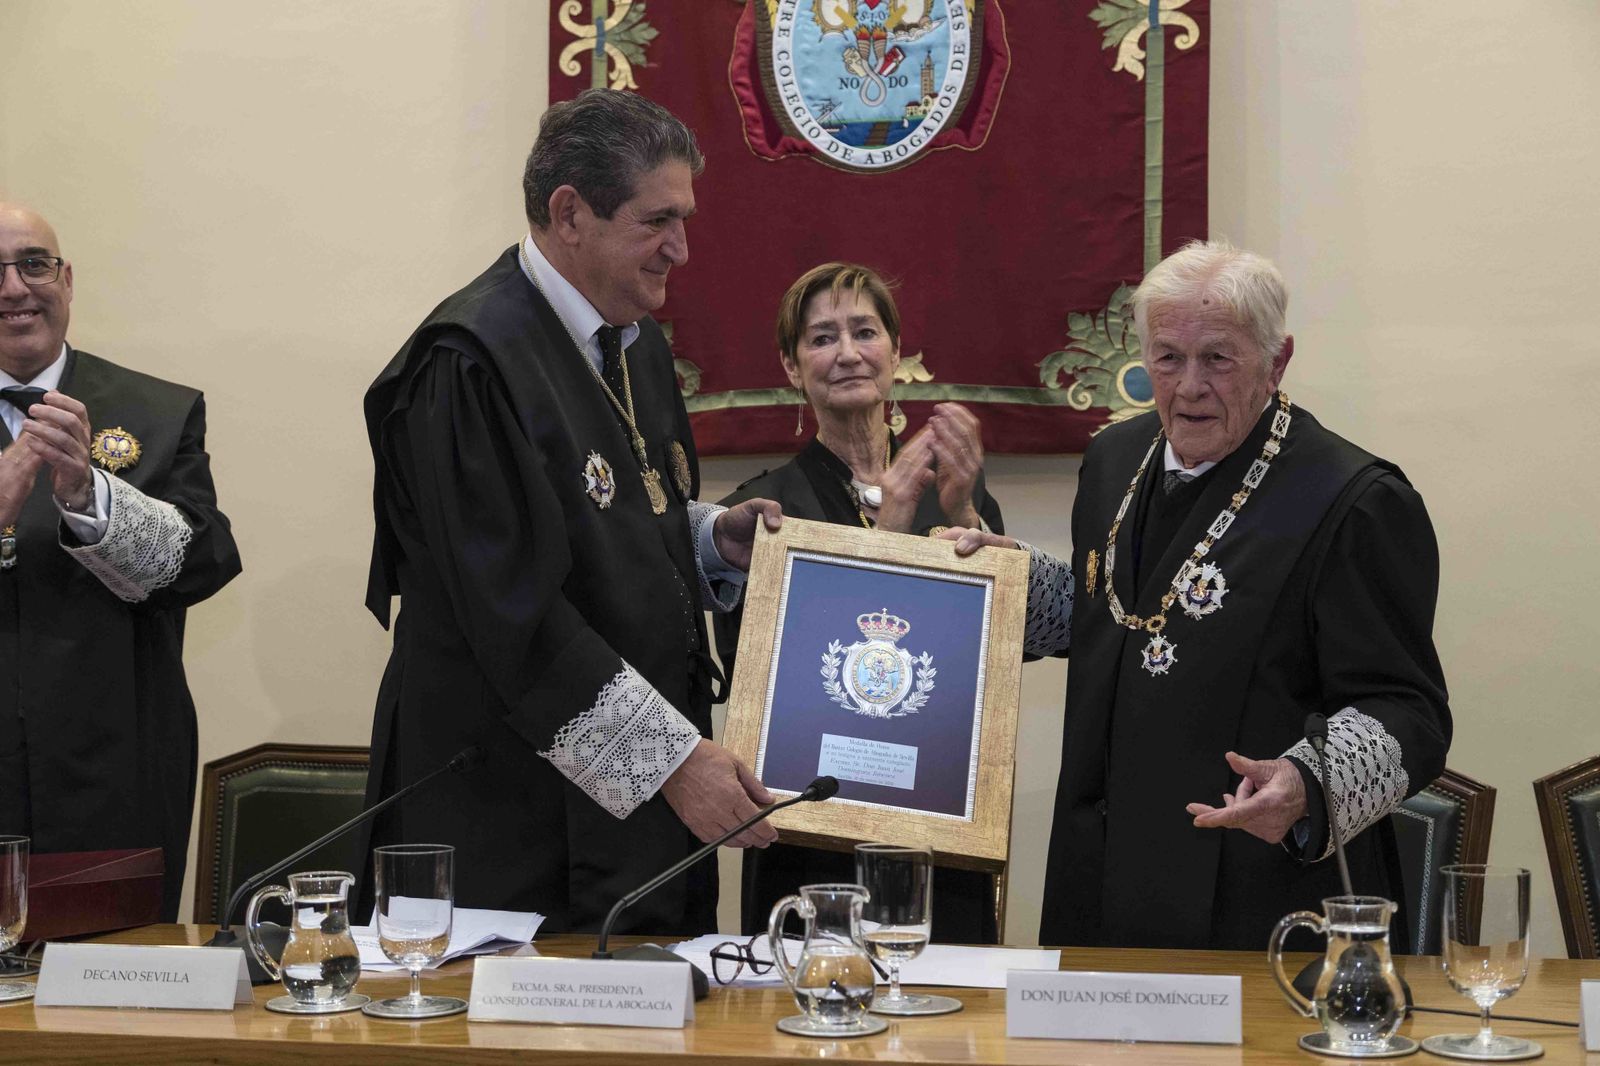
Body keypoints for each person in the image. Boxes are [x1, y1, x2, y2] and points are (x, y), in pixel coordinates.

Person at [950, 240, 1451, 950]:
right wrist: (1016, 585)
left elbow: (1411, 712)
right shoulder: (1112, 459)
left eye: (1218, 358)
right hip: (1097, 882)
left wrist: (1310, 782)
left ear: (1277, 361)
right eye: (1167, 357)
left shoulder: (1356, 500)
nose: (1188, 386)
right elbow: (1128, 618)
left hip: (1258, 900)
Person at [363, 89, 783, 934]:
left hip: (632, 804)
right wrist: (670, 762)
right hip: (511, 806)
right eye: (657, 220)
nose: (682, 249)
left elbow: (604, 520)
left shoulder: (636, 341)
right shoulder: (468, 362)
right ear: (569, 214)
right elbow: (509, 608)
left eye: (686, 219)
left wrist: (706, 541)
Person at [716, 262, 1004, 942]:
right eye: (821, 338)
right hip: (812, 840)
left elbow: (991, 664)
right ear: (791, 366)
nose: (846, 352)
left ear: (896, 352)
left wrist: (970, 516)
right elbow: (759, 680)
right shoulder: (762, 512)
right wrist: (893, 533)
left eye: (864, 331)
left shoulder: (954, 494)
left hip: (936, 835)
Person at [0, 202, 241, 920]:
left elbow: (204, 563)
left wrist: (88, 496)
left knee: (109, 995)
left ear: (66, 280)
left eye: (34, 265)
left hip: (113, 765)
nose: (14, 288)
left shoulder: (156, 411)